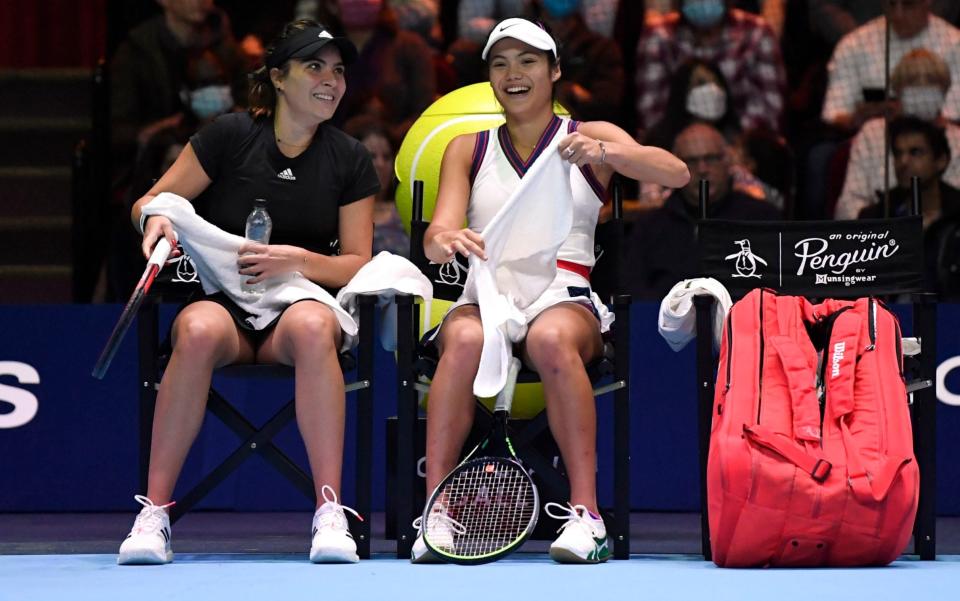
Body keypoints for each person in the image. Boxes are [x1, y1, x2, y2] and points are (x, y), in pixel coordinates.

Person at [412, 18, 689, 564]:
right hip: (487, 295)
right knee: (462, 340)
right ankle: (436, 514)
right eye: (500, 64)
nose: (513, 74)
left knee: (550, 339)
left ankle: (586, 517)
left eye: (528, 62)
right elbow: (436, 234)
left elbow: (675, 172)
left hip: (565, 295)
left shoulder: (592, 134)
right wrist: (447, 239)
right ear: (490, 77)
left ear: (555, 70)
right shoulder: (464, 147)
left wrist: (605, 155)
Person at [118, 19, 380, 565]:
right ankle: (154, 515)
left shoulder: (350, 157)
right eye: (315, 67)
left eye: (337, 71)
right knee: (192, 329)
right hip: (228, 303)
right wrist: (156, 223)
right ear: (279, 77)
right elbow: (150, 202)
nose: (331, 80)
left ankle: (329, 512)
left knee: (313, 329)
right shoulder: (228, 137)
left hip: (302, 303)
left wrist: (297, 260)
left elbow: (357, 263)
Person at [625, 122, 780, 301]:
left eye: (711, 158)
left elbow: (773, 290)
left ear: (727, 161)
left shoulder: (760, 218)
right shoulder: (649, 226)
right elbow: (633, 289)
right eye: (691, 161)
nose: (702, 169)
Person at [836, 48, 960, 220]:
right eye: (912, 81)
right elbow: (849, 203)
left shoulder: (957, 139)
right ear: (898, 90)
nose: (921, 86)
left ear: (945, 89)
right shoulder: (872, 134)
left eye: (931, 81)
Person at [633, 0, 786, 138]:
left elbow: (768, 114)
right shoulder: (658, 35)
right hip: (677, 150)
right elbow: (652, 116)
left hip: (740, 148)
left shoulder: (757, 32)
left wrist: (726, 148)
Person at [859, 116, 960, 298]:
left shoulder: (956, 219)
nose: (903, 162)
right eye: (898, 154)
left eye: (915, 152)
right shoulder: (877, 217)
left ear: (941, 161)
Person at [821, 0, 960, 132]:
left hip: (935, 143)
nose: (898, 14)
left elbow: (953, 117)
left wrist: (905, 114)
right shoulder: (854, 44)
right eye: (891, 4)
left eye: (908, 4)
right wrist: (857, 118)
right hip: (866, 139)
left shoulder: (954, 44)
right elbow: (833, 115)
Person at [343, 115, 410, 256]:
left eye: (386, 157)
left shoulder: (406, 211)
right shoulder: (338, 213)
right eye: (372, 156)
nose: (380, 164)